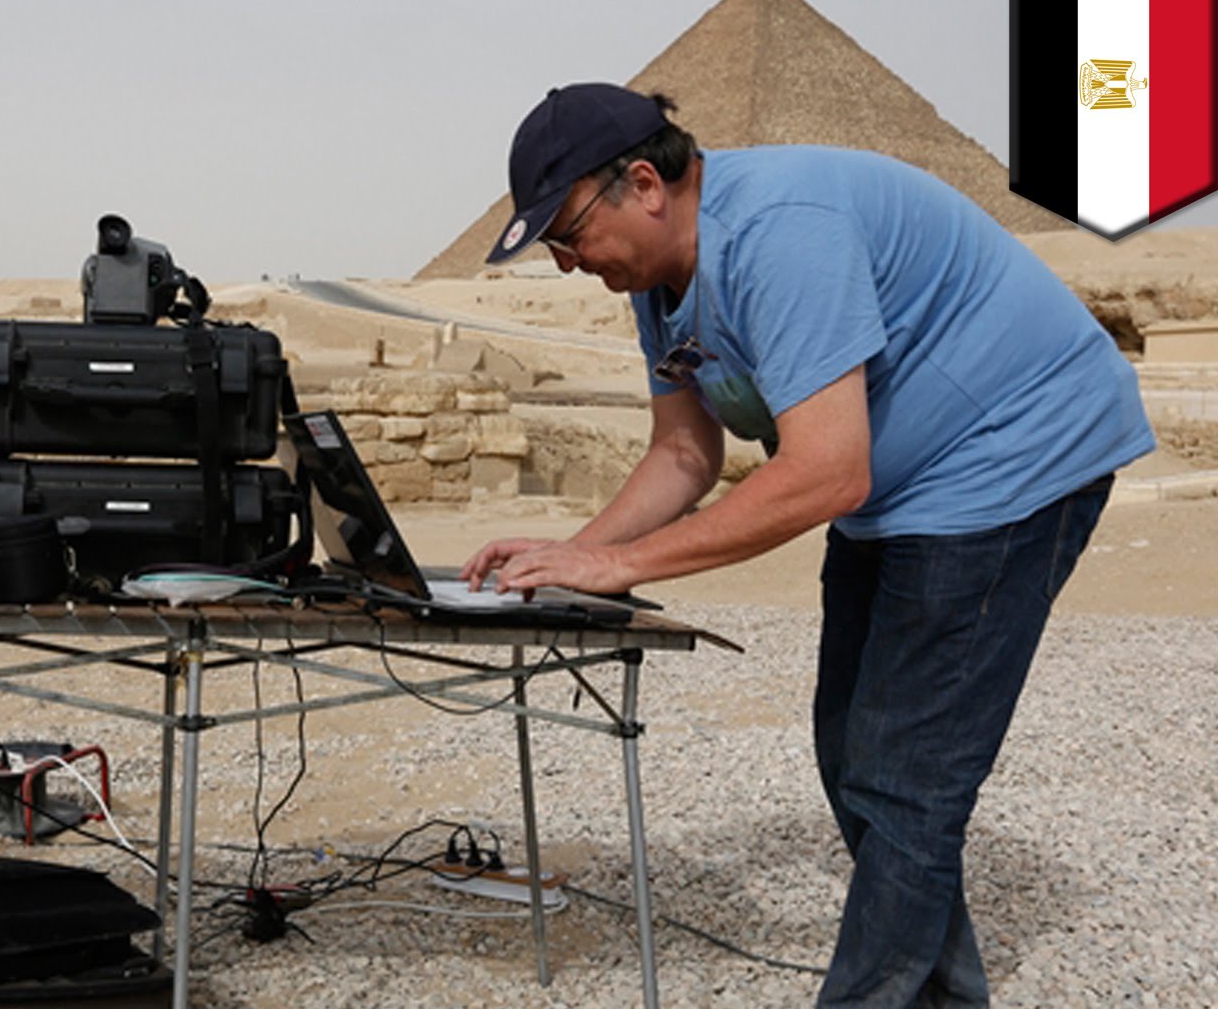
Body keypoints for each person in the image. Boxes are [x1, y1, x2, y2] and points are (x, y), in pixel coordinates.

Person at [460, 83, 1153, 1006]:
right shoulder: (658, 278)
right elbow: (684, 453)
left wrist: (618, 566)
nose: (566, 262)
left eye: (570, 232)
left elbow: (827, 474)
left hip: (1011, 457)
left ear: (645, 185)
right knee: (851, 757)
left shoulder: (780, 233)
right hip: (901, 488)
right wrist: (569, 560)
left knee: (906, 780)